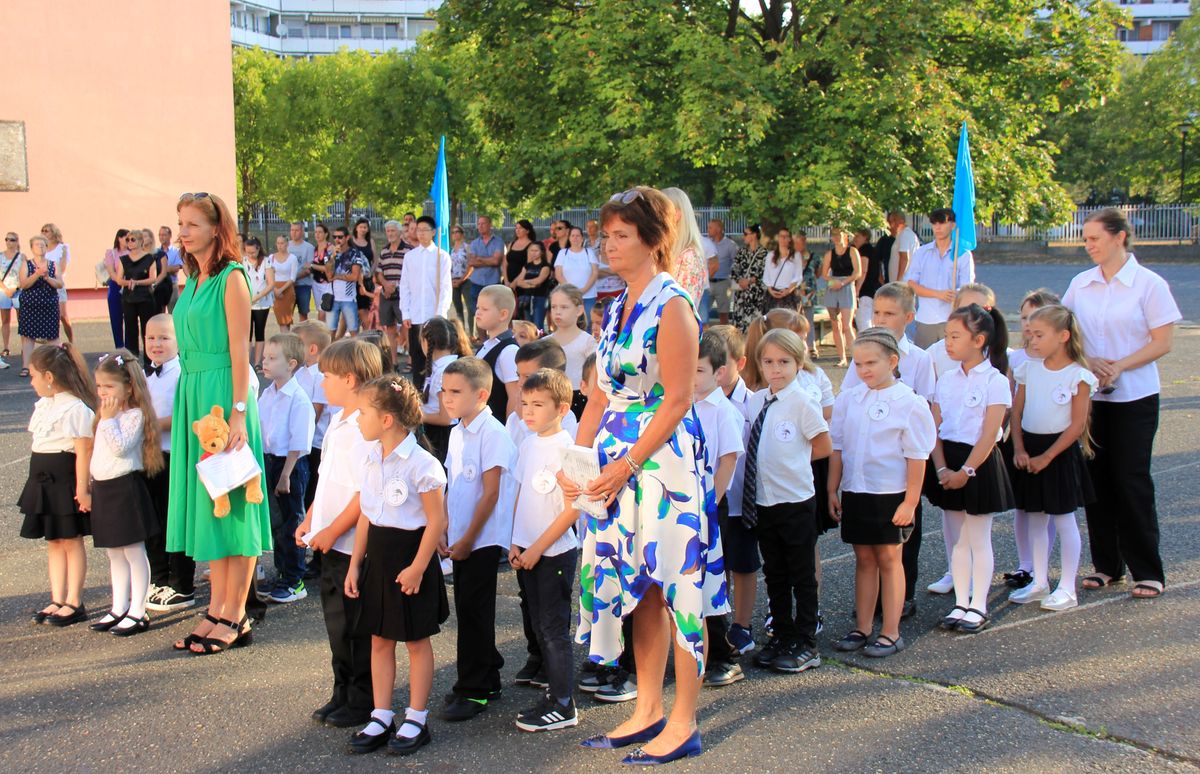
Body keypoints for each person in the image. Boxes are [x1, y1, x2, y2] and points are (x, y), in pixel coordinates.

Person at [566, 186, 724, 763]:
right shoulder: (616, 305)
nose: (607, 245)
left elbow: (679, 398)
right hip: (615, 464)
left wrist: (626, 464)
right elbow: (599, 396)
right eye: (604, 235)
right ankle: (648, 709)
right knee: (641, 588)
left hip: (664, 465)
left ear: (654, 242)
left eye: (620, 236)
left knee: (678, 587)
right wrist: (577, 465)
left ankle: (684, 721)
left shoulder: (673, 304)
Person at [168, 192, 271, 656]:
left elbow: (238, 352)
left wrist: (238, 414)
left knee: (236, 501)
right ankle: (216, 607)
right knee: (213, 506)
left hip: (224, 397)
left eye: (192, 224)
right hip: (194, 394)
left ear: (216, 229)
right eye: (180, 223)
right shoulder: (191, 278)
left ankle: (237, 613)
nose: (183, 232)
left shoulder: (232, 278)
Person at [1063, 208, 1180, 599]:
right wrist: (1087, 361)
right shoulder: (1081, 284)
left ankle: (1147, 569)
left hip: (1135, 397)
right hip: (1092, 398)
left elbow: (1162, 341)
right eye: (1085, 238)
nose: (1088, 245)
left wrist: (1119, 366)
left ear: (1119, 237)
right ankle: (1107, 565)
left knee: (1131, 481)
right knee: (1097, 482)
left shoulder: (1149, 284)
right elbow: (1065, 331)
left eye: (1094, 238)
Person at [344, 376, 449, 756]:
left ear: (387, 419)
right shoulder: (370, 458)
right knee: (379, 638)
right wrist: (356, 564)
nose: (357, 419)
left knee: (416, 641)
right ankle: (381, 713)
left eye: (363, 412)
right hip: (380, 559)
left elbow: (437, 521)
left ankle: (417, 717)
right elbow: (366, 517)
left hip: (411, 560)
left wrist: (420, 566)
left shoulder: (423, 464)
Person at [829, 329, 935, 658]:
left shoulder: (910, 403)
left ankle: (891, 631)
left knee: (890, 559)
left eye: (871, 363)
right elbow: (838, 446)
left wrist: (911, 501)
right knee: (863, 559)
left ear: (892, 361)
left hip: (890, 494)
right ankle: (862, 626)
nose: (864, 370)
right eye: (858, 364)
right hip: (857, 491)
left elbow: (917, 455)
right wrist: (833, 487)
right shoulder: (849, 398)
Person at [295, 337, 382, 730]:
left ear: (349, 379)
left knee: (354, 625)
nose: (321, 383)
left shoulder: (365, 426)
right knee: (335, 623)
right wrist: (311, 519)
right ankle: (341, 690)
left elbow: (365, 493)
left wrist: (331, 530)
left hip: (350, 544)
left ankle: (362, 698)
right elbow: (326, 479)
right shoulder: (337, 420)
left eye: (326, 376)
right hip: (328, 538)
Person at [841, 282, 935, 617]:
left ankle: (900, 599)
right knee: (867, 551)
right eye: (877, 312)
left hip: (899, 466)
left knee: (900, 546)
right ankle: (869, 610)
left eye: (890, 313)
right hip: (865, 476)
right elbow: (847, 402)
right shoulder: (863, 356)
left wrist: (912, 495)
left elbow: (926, 406)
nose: (881, 318)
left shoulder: (919, 360)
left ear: (908, 317)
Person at [744, 328, 831, 673]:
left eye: (784, 362)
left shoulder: (802, 403)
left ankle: (806, 640)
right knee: (775, 572)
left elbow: (822, 446)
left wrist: (792, 462)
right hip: (764, 501)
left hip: (795, 501)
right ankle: (781, 633)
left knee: (801, 573)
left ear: (798, 363)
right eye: (768, 362)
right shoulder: (758, 399)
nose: (776, 369)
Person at [438, 357, 517, 723]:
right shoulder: (457, 431)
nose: (446, 398)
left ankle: (475, 689)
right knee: (468, 610)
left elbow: (490, 493)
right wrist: (445, 528)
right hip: (461, 536)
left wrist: (468, 537)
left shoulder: (493, 433)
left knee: (475, 612)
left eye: (456, 392)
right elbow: (454, 486)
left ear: (482, 394)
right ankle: (487, 673)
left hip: (480, 540)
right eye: (444, 390)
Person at [927, 304, 1013, 634]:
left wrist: (965, 471)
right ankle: (960, 601)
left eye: (955, 336)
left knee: (978, 539)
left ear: (978, 340)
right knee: (957, 540)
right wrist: (941, 469)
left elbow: (990, 434)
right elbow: (934, 427)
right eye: (947, 336)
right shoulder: (946, 379)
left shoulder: (995, 380)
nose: (948, 343)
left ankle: (979, 604)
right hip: (947, 462)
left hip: (977, 464)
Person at [509, 368, 583, 732]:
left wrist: (537, 547)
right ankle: (553, 695)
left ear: (562, 408)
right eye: (525, 404)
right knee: (539, 626)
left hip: (554, 553)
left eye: (538, 404)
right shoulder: (527, 443)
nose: (529, 412)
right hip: (528, 553)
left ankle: (564, 703)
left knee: (554, 630)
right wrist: (515, 542)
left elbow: (572, 509)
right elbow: (521, 494)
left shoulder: (568, 448)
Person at [1008, 305, 1096, 611]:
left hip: (1057, 452)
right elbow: (1016, 412)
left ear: (1063, 336)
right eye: (1029, 334)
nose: (1031, 341)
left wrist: (1047, 456)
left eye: (1039, 335)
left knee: (1063, 519)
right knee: (1034, 516)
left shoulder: (1078, 376)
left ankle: (1067, 587)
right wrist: (1019, 449)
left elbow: (1076, 425)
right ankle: (1040, 580)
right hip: (1030, 450)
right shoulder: (1028, 369)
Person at [85, 350, 164, 637]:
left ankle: (138, 611)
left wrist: (107, 420)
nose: (102, 393)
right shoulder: (106, 415)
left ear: (128, 387)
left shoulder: (134, 415)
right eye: (99, 387)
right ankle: (119, 606)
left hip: (125, 489)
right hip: (105, 489)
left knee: (133, 551)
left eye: (109, 387)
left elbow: (121, 447)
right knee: (113, 553)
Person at [19, 343, 96, 627]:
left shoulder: (75, 408)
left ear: (49, 377)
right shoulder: (44, 405)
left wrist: (82, 488)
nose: (31, 381)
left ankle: (74, 601)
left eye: (34, 375)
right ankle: (57, 597)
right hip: (42, 482)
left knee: (71, 540)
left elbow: (83, 451)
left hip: (64, 480)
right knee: (53, 540)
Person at [691, 332, 746, 688]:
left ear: (720, 373)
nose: (690, 377)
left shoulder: (723, 412)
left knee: (712, 584)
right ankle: (696, 650)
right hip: (682, 505)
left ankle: (724, 655)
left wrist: (713, 501)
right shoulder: (680, 403)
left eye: (698, 370)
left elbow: (727, 460)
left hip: (711, 507)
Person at [702, 325, 757, 656]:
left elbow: (736, 458)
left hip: (736, 500)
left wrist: (717, 497)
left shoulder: (746, 403)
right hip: (709, 503)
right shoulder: (692, 402)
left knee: (743, 563)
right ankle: (718, 634)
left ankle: (742, 625)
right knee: (716, 570)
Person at [1002, 288, 1061, 592]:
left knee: (1045, 509)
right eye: (1024, 317)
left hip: (1047, 441)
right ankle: (1025, 564)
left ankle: (1041, 567)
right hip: (1021, 440)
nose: (1027, 324)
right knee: (1022, 507)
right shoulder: (1018, 357)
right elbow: (1011, 400)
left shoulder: (1062, 360)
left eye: (1034, 318)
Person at [143, 315, 197, 613]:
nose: (156, 344)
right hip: (150, 456)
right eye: (151, 338)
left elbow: (184, 417)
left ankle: (182, 585)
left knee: (175, 521)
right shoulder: (144, 373)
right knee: (153, 522)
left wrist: (145, 423)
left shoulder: (183, 375)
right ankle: (159, 578)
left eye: (164, 338)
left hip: (175, 456)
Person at [259, 333, 316, 604]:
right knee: (276, 522)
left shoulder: (299, 399)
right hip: (270, 461)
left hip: (290, 466)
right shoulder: (267, 394)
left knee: (292, 521)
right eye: (264, 357)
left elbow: (298, 442)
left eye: (272, 358)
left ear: (291, 364)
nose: (265, 362)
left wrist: (285, 475)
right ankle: (282, 572)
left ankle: (295, 579)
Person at [397, 215, 453, 393]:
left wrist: (440, 314)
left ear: (434, 232)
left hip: (434, 315)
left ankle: (436, 393)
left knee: (436, 358)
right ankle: (418, 394)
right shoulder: (410, 257)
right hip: (415, 316)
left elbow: (445, 288)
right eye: (417, 230)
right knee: (417, 356)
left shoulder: (442, 257)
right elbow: (404, 286)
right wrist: (405, 313)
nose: (420, 234)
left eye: (424, 230)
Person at [907, 208, 975, 348]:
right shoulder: (922, 253)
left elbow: (967, 287)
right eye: (934, 223)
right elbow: (911, 283)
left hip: (951, 318)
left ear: (952, 224)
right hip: (926, 319)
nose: (937, 227)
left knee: (951, 363)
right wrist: (938, 294)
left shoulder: (962, 255)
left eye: (942, 223)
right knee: (926, 363)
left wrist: (955, 294)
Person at [418, 316, 469, 464]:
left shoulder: (444, 372)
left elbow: (446, 418)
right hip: (437, 433)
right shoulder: (442, 367)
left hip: (440, 437)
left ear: (426, 342)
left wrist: (417, 415)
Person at [17, 235, 63, 377]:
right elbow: (23, 284)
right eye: (37, 245)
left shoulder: (53, 264)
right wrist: (37, 274)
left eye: (43, 244)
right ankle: (26, 367)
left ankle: (56, 366)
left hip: (49, 304)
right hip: (30, 304)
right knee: (28, 336)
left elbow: (60, 284)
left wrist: (48, 278)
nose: (40, 247)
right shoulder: (27, 264)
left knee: (52, 335)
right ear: (32, 248)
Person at [548, 284, 596, 419]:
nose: (557, 312)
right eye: (554, 307)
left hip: (579, 400)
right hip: (550, 399)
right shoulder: (545, 342)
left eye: (564, 307)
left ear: (579, 310)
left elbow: (594, 375)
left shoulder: (587, 341)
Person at [474, 284, 520, 420]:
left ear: (503, 314)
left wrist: (509, 433)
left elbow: (514, 396)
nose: (478, 313)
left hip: (497, 427)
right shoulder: (486, 345)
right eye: (477, 308)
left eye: (485, 309)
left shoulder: (509, 351)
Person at [662, 187, 709, 316]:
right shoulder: (667, 252)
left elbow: (684, 310)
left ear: (676, 215)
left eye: (659, 211)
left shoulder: (690, 257)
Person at [113, 230, 159, 361]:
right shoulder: (124, 259)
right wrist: (129, 282)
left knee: (147, 329)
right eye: (128, 240)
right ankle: (132, 359)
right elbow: (119, 279)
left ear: (140, 241)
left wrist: (137, 282)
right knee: (130, 329)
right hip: (129, 298)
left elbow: (153, 278)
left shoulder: (149, 258)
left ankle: (150, 359)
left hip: (145, 297)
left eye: (133, 240)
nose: (130, 243)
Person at [821, 227, 862, 367]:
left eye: (839, 235)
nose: (837, 238)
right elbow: (824, 274)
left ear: (845, 236)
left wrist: (843, 282)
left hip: (847, 286)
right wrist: (833, 282)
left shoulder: (852, 251)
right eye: (834, 235)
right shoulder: (829, 254)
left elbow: (858, 272)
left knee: (846, 325)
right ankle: (842, 357)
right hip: (833, 286)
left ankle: (857, 357)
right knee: (835, 324)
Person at [376, 220, 411, 360]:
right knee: (389, 328)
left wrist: (395, 285)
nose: (390, 234)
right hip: (387, 295)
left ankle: (411, 360)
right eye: (388, 231)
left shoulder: (408, 250)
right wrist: (385, 285)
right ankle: (394, 361)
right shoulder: (384, 251)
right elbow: (379, 272)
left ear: (399, 232)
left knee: (407, 326)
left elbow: (411, 273)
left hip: (403, 294)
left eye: (393, 231)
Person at [329, 226, 370, 338]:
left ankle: (355, 353)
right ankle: (331, 354)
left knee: (353, 332)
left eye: (340, 237)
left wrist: (337, 276)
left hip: (348, 299)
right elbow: (328, 276)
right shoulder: (332, 253)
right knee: (330, 331)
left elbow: (354, 276)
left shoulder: (354, 253)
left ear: (347, 237)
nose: (337, 239)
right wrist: (332, 257)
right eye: (335, 237)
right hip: (333, 298)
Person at [465, 216, 505, 328]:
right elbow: (472, 262)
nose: (480, 226)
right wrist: (489, 259)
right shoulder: (474, 243)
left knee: (495, 312)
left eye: (483, 223)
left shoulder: (498, 242)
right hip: (476, 283)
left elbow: (496, 261)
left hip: (493, 282)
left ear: (490, 224)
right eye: (479, 224)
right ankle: (483, 341)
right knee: (478, 313)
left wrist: (480, 258)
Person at [555, 227, 600, 319]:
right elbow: (558, 274)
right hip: (568, 295)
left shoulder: (589, 252)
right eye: (573, 235)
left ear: (582, 238)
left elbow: (595, 273)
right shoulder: (563, 253)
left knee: (588, 322)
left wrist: (584, 290)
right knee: (569, 321)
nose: (575, 238)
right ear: (569, 238)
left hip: (588, 295)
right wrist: (572, 291)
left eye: (578, 236)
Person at [731, 224, 768, 332]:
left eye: (746, 234)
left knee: (755, 326)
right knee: (739, 327)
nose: (744, 237)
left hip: (756, 296)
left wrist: (751, 280)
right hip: (742, 295)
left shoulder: (764, 253)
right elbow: (734, 269)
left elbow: (765, 274)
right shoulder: (741, 252)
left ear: (754, 235)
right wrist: (740, 280)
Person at [40, 224, 73, 344]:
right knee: (50, 316)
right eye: (42, 231)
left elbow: (62, 267)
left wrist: (51, 276)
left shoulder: (62, 248)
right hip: (45, 285)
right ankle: (54, 342)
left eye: (46, 231)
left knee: (63, 316)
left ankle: (71, 341)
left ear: (53, 232)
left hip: (58, 284)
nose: (44, 232)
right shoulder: (41, 248)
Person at [244, 237, 273, 369]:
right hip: (246, 303)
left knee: (259, 332)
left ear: (258, 249)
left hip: (262, 303)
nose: (250, 255)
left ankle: (257, 363)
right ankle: (246, 362)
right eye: (248, 252)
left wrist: (257, 297)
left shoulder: (266, 262)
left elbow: (271, 283)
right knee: (247, 333)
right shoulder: (242, 262)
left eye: (253, 252)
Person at [101, 230, 131, 349]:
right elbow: (111, 271)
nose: (129, 241)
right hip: (115, 285)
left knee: (129, 318)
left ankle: (129, 348)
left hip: (129, 285)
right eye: (126, 238)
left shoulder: (132, 253)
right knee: (116, 318)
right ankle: (119, 347)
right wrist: (119, 281)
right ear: (119, 238)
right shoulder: (111, 253)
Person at [706, 220, 738, 326]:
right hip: (708, 283)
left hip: (723, 283)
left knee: (723, 313)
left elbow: (736, 262)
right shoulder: (707, 243)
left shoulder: (730, 245)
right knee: (702, 311)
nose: (708, 230)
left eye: (710, 227)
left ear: (718, 229)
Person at [762, 227, 802, 312]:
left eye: (786, 236)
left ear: (789, 239)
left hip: (789, 295)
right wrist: (771, 291)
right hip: (773, 295)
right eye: (781, 236)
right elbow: (766, 276)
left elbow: (798, 277)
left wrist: (787, 291)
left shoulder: (796, 255)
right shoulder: (770, 255)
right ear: (778, 238)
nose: (783, 239)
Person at [854, 228, 885, 333]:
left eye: (858, 236)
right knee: (871, 320)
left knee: (863, 321)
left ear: (865, 237)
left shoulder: (864, 250)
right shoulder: (873, 250)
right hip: (873, 289)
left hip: (865, 290)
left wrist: (857, 290)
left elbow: (863, 270)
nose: (855, 239)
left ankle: (867, 345)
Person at [514, 241, 551, 329]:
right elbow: (519, 282)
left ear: (541, 252)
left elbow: (538, 281)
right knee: (528, 325)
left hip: (540, 298)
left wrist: (525, 282)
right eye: (531, 250)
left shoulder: (545, 266)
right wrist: (531, 285)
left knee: (538, 324)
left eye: (536, 251)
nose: (533, 253)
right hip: (527, 298)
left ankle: (539, 342)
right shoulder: (527, 266)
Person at [796, 232, 821, 357]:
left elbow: (818, 273)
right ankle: (798, 346)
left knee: (809, 319)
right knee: (795, 319)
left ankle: (812, 346)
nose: (798, 244)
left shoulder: (814, 256)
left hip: (809, 291)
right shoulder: (791, 257)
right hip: (794, 291)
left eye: (800, 241)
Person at [1, 231, 23, 367]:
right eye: (7, 239)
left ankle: (24, 346)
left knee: (22, 320)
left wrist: (14, 288)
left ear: (17, 242)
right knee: (5, 320)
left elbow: (24, 275)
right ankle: (6, 347)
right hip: (3, 291)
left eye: (12, 240)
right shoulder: (0, 256)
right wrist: (5, 288)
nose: (9, 242)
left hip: (18, 290)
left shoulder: (22, 257)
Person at [269, 235, 299, 334]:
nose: (280, 245)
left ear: (287, 244)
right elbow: (268, 276)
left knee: (287, 320)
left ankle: (286, 341)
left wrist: (281, 290)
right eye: (278, 243)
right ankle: (286, 341)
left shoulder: (292, 258)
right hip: (274, 288)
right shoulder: (271, 257)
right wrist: (275, 290)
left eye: (282, 243)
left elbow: (292, 278)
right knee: (281, 320)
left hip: (287, 289)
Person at [287, 222, 316, 323]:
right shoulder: (286, 246)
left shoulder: (309, 248)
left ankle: (303, 336)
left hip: (303, 286)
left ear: (302, 232)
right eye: (292, 230)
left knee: (303, 314)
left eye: (297, 230)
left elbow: (308, 269)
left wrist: (293, 278)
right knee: (287, 315)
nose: (294, 233)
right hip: (288, 286)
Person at [502, 219, 536, 290]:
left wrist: (515, 282)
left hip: (522, 283)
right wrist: (506, 280)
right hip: (507, 282)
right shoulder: (511, 244)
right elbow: (505, 264)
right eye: (516, 228)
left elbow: (528, 266)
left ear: (527, 231)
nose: (517, 230)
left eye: (520, 228)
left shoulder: (532, 245)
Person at [887, 211, 920, 283]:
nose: (891, 225)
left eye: (893, 221)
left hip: (902, 284)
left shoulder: (905, 235)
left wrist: (898, 281)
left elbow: (904, 258)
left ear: (901, 221)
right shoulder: (905, 234)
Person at [449, 225, 472, 328]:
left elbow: (471, 265)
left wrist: (462, 279)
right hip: (453, 280)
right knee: (458, 307)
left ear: (462, 234)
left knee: (470, 306)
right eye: (453, 232)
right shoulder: (452, 249)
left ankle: (472, 332)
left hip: (466, 280)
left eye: (457, 232)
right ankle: (460, 331)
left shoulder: (467, 247)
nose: (454, 234)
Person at [311, 222, 334, 325]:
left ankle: (327, 335)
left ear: (326, 234)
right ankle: (322, 334)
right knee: (320, 311)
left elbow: (328, 268)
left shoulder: (330, 248)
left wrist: (311, 266)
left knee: (324, 311)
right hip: (316, 283)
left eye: (320, 232)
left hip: (327, 284)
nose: (317, 234)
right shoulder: (315, 249)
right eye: (316, 232)